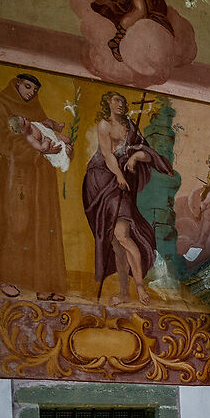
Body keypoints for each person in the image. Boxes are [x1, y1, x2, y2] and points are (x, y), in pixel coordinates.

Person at [83, 91, 168, 302]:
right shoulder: (104, 125)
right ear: (108, 103)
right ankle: (124, 292)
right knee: (116, 243)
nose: (121, 104)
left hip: (122, 186)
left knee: (122, 236)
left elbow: (146, 153)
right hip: (102, 180)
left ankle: (139, 287)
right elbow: (107, 154)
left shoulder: (130, 127)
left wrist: (135, 156)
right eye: (116, 100)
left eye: (122, 101)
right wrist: (119, 175)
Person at [0, 73, 68, 298]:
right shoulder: (3, 104)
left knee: (43, 224)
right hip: (18, 173)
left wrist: (51, 146)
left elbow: (44, 131)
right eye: (27, 87)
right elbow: (2, 139)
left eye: (34, 90)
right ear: (17, 84)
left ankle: (44, 283)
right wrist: (36, 150)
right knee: (17, 222)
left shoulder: (34, 107)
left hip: (41, 175)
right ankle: (7, 278)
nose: (31, 93)